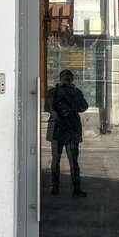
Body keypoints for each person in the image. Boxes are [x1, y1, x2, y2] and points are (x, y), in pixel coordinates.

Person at [50, 69, 89, 197]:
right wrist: (59, 94)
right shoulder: (54, 92)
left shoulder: (76, 92)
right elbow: (51, 107)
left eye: (68, 79)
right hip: (59, 128)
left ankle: (76, 188)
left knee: (74, 161)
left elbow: (83, 107)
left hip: (72, 130)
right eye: (64, 78)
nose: (66, 81)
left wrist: (73, 95)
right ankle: (55, 186)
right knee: (56, 160)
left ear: (72, 80)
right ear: (60, 79)